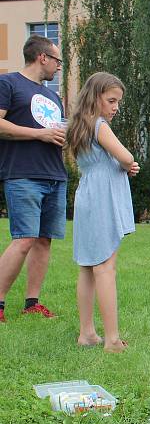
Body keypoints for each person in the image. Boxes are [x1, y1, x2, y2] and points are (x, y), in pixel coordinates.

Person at [68, 72, 139, 353]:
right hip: (101, 199)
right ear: (94, 96)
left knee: (88, 266)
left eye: (118, 103)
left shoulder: (79, 125)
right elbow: (126, 157)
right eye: (111, 101)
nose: (115, 108)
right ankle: (111, 339)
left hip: (87, 194)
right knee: (105, 267)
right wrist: (127, 164)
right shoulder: (99, 125)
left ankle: (87, 333)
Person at [0, 35, 67, 323]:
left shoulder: (53, 96)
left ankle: (32, 303)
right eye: (57, 61)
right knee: (24, 239)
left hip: (54, 174)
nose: (58, 67)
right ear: (42, 57)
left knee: (43, 241)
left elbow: (55, 131)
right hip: (22, 173)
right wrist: (38, 134)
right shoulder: (9, 83)